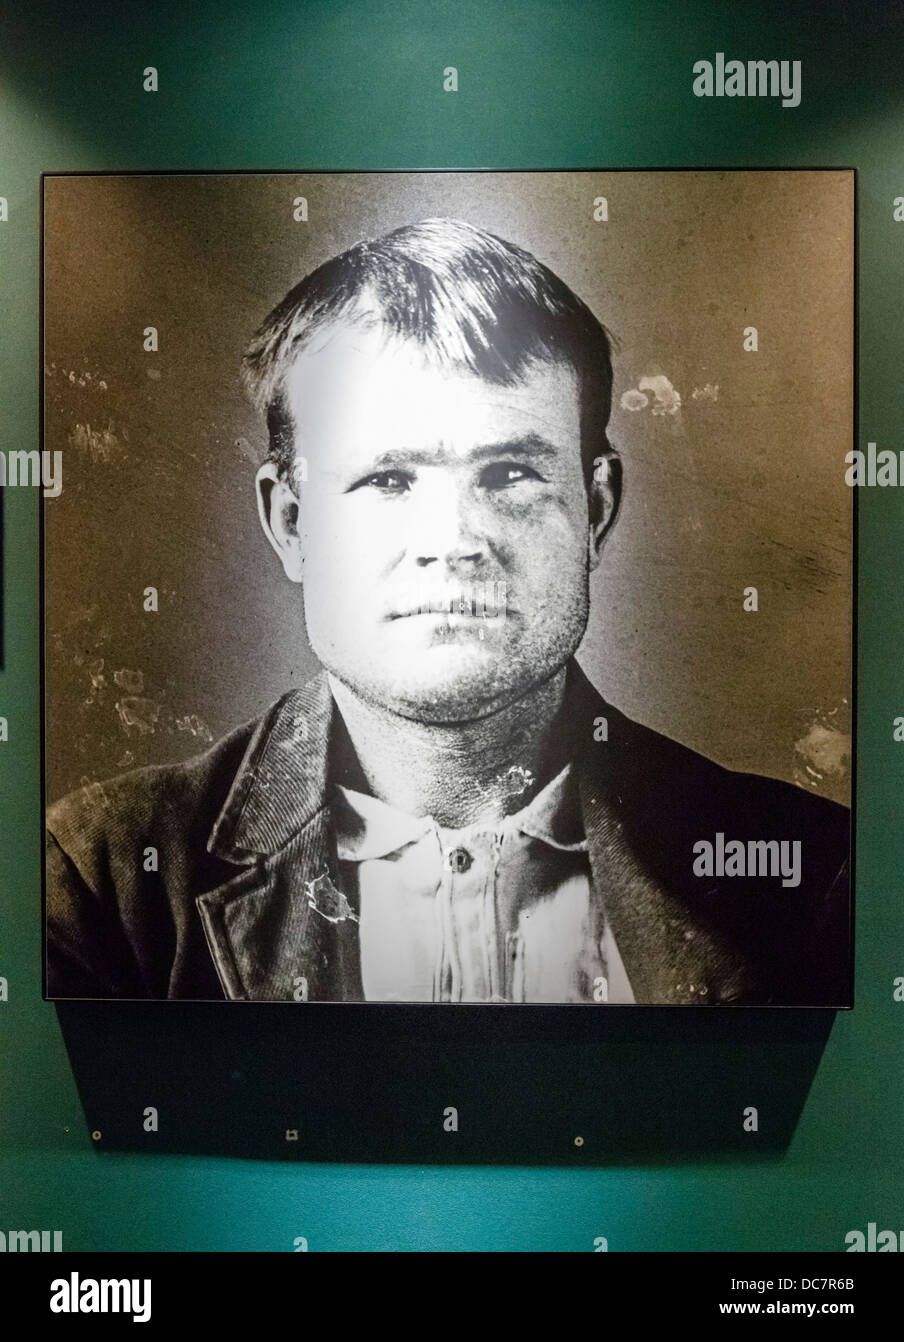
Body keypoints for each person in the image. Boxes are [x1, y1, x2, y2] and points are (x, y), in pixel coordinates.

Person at [46, 217, 850, 1005]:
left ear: (597, 511)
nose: (455, 540)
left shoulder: (815, 874)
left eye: (509, 474)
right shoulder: (98, 884)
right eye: (388, 479)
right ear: (291, 523)